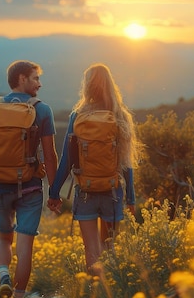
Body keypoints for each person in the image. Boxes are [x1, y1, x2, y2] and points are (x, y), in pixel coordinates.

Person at [0, 60, 58, 298]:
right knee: (25, 247)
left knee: (3, 238)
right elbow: (50, 154)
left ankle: (3, 277)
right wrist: (54, 192)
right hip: (31, 187)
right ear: (21, 79)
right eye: (35, 78)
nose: (39, 83)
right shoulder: (42, 110)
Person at [47, 63, 139, 275]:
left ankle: (94, 296)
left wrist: (54, 193)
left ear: (86, 86)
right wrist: (131, 199)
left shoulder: (77, 116)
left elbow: (67, 160)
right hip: (112, 190)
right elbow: (126, 163)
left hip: (85, 191)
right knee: (108, 248)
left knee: (92, 251)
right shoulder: (120, 116)